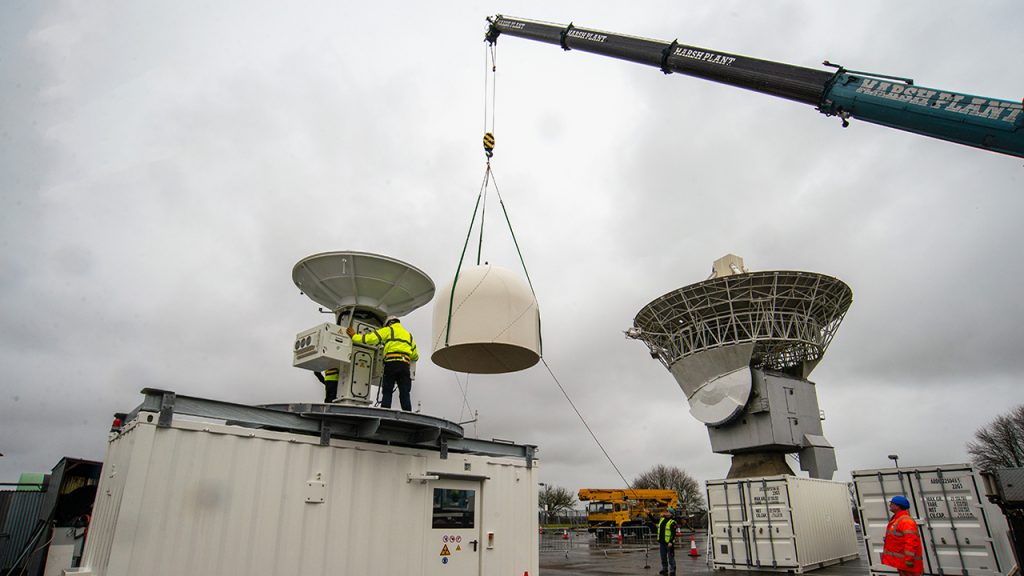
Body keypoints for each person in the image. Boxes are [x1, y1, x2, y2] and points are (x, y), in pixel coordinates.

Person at [347, 316, 418, 411]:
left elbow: (369, 339)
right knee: (405, 392)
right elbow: (415, 356)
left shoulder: (388, 330)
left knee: (387, 391)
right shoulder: (408, 335)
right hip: (404, 366)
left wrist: (354, 336)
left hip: (391, 364)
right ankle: (408, 414)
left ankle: (385, 411)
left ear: (389, 323)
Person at [882, 495, 923, 576]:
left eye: (892, 503)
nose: (890, 505)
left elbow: (911, 542)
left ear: (898, 506)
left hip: (908, 565)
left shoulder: (905, 521)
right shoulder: (898, 519)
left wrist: (908, 560)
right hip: (902, 563)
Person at [655, 508, 677, 575]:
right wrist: (649, 514)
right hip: (662, 542)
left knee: (671, 557)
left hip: (669, 543)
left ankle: (672, 569)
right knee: (663, 557)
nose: (666, 512)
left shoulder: (672, 522)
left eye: (667, 511)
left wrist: (670, 541)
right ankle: (664, 569)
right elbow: (654, 520)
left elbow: (673, 533)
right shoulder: (662, 519)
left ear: (671, 514)